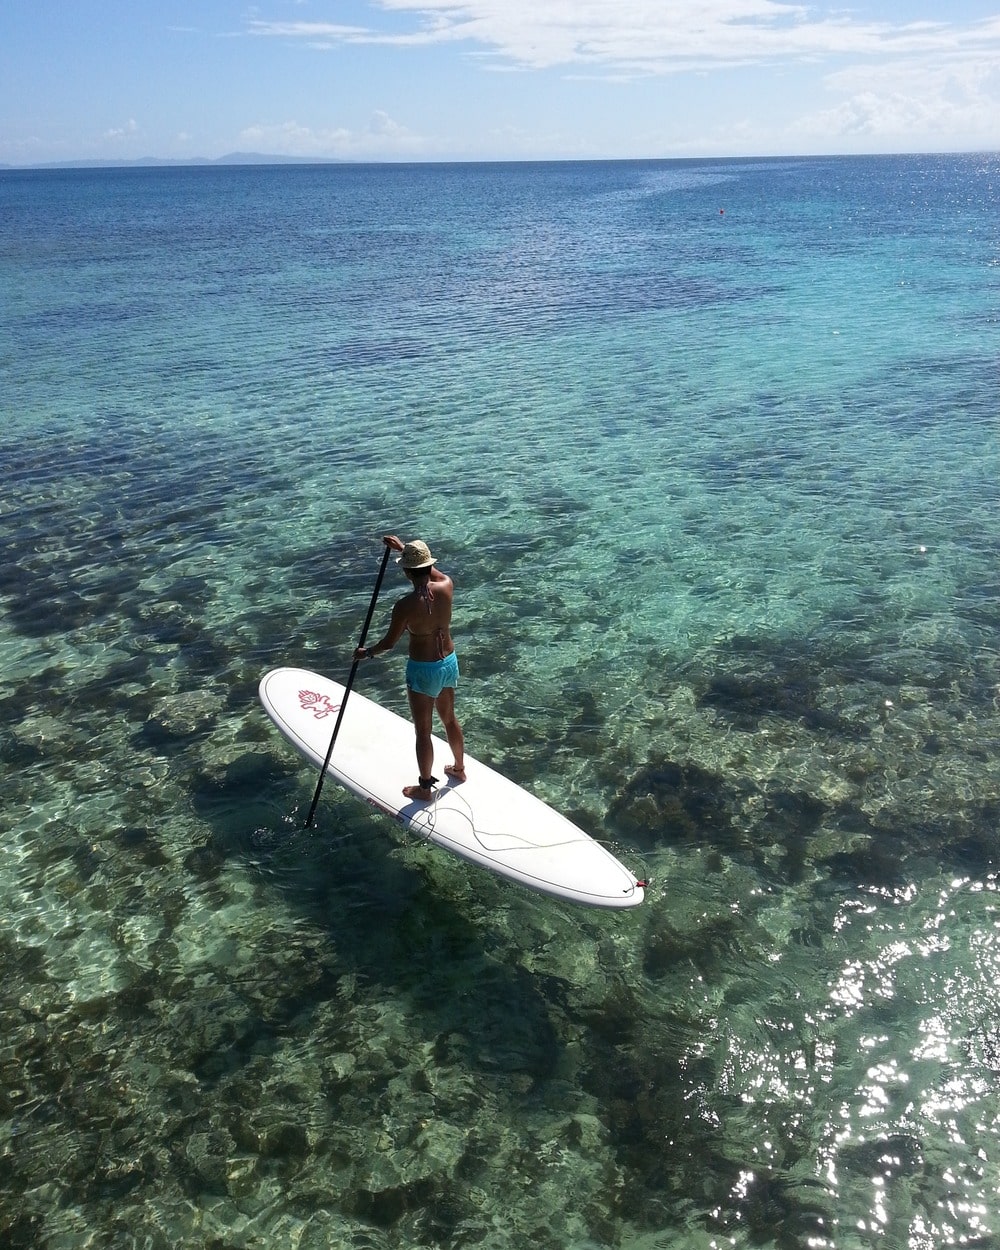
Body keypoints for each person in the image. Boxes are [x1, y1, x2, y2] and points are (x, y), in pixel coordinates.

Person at [354, 534, 465, 802]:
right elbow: (432, 573)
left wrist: (367, 653)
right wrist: (405, 548)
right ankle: (459, 769)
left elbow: (389, 643)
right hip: (448, 662)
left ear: (405, 571)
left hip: (423, 670)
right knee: (449, 719)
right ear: (429, 566)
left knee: (423, 731)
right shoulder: (446, 586)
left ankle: (425, 788)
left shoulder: (404, 605)